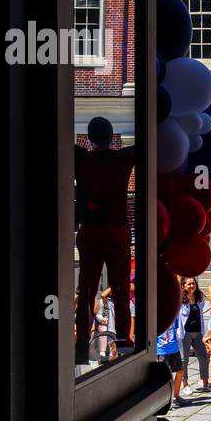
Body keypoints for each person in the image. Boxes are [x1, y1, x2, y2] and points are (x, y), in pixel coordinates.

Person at [74, 116, 136, 360]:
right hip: (117, 230)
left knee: (87, 289)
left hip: (90, 230)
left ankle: (80, 344)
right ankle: (123, 337)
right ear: (112, 137)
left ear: (89, 138)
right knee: (120, 286)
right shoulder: (122, 158)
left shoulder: (83, 158)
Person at [178, 277, 211, 394]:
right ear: (183, 286)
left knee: (204, 358)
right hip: (185, 333)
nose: (192, 286)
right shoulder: (180, 299)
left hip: (198, 332)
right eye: (189, 284)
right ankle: (185, 383)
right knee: (184, 360)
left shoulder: (199, 297)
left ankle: (205, 382)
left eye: (193, 283)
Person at [159, 304, 187, 408]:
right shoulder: (155, 315)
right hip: (161, 350)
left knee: (180, 371)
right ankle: (164, 401)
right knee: (164, 376)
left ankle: (176, 396)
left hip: (174, 347)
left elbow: (177, 330)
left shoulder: (173, 315)